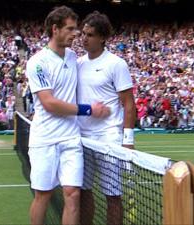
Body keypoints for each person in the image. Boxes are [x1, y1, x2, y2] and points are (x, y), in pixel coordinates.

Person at [25, 6, 110, 225]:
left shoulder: (73, 57)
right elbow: (49, 103)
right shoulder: (37, 62)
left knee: (73, 194)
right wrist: (89, 109)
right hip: (44, 139)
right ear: (55, 29)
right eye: (71, 29)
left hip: (71, 139)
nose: (76, 34)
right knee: (43, 195)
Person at [77, 11, 136, 225]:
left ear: (102, 38)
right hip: (82, 137)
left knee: (112, 195)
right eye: (83, 33)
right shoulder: (78, 63)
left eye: (90, 34)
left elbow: (129, 103)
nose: (84, 38)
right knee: (83, 191)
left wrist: (128, 141)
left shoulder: (116, 64)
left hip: (109, 137)